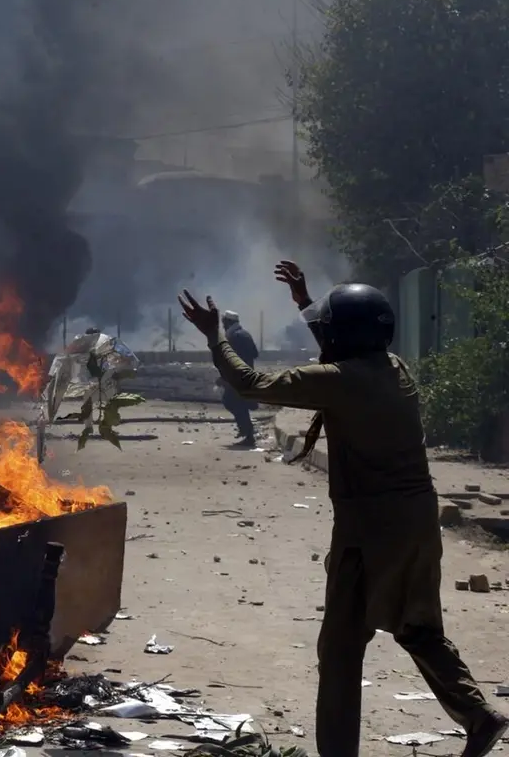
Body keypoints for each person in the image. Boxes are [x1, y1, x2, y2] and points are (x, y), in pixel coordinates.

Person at [176, 261, 508, 757]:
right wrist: (308, 303)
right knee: (419, 629)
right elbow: (343, 343)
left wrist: (215, 336)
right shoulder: (394, 367)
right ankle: (479, 715)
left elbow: (249, 383)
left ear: (341, 336)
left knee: (340, 650)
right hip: (418, 520)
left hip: (368, 531)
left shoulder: (340, 380)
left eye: (327, 329)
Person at [218, 310, 259, 447]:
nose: (223, 325)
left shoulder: (233, 337)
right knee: (238, 403)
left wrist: (225, 377)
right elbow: (255, 353)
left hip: (238, 376)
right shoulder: (244, 334)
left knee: (231, 401)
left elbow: (229, 359)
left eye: (224, 322)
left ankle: (248, 433)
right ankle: (246, 431)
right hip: (246, 374)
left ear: (228, 322)